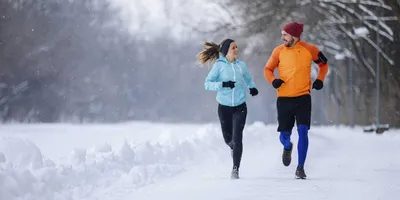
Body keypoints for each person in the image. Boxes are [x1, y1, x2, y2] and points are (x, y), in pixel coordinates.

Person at [263, 22, 329, 179]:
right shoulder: (278, 51)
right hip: (284, 99)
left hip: (303, 97)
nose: (282, 37)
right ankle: (287, 146)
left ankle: (300, 168)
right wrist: (273, 81)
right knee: (284, 135)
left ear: (294, 36)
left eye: (285, 34)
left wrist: (320, 79)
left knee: (303, 131)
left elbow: (324, 64)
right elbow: (267, 69)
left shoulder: (309, 49)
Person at [197, 38, 259, 179]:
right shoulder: (219, 66)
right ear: (226, 51)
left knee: (238, 138)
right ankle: (232, 147)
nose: (236, 49)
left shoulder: (241, 65)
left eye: (237, 47)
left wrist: (252, 87)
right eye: (233, 48)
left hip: (240, 106)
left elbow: (248, 79)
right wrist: (223, 84)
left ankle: (235, 168)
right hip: (224, 107)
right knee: (228, 139)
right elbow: (207, 84)